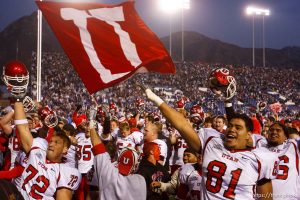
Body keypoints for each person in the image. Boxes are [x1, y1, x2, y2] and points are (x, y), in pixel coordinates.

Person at [143, 87, 278, 199]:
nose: (232, 129)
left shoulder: (260, 158)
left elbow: (266, 196)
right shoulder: (212, 141)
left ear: (249, 134)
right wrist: (156, 99)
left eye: (238, 128)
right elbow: (183, 125)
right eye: (230, 126)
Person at [88, 120, 147, 200]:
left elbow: (98, 148)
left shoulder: (109, 172)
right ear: (136, 166)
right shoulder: (141, 181)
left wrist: (92, 127)